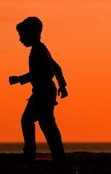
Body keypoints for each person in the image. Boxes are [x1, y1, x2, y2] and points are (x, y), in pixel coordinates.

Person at [9, 17, 68, 162]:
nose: (20, 39)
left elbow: (40, 73)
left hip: (43, 92)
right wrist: (62, 86)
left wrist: (18, 79)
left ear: (32, 34)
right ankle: (57, 154)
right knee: (45, 123)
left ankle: (31, 153)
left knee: (30, 120)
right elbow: (57, 68)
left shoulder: (39, 51)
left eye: (22, 35)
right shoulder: (41, 49)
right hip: (44, 91)